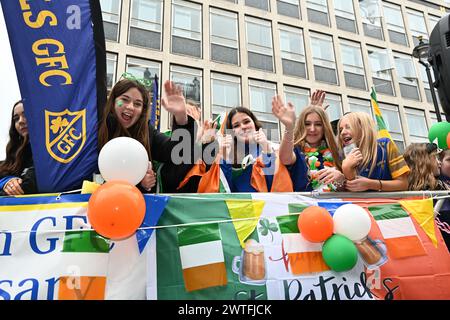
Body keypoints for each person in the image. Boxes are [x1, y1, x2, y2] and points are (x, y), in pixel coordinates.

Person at [97, 78, 196, 193]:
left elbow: (177, 153)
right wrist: (138, 181)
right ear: (113, 101)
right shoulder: (95, 126)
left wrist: (181, 116)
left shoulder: (147, 132)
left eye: (137, 104)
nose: (130, 107)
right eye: (124, 100)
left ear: (142, 110)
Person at [272, 92, 343, 192]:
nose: (312, 129)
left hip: (333, 205)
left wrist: (341, 179)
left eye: (318, 124)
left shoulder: (336, 151)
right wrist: (289, 127)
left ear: (325, 127)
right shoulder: (297, 150)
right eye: (307, 124)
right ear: (301, 126)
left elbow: (347, 188)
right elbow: (285, 158)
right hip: (304, 206)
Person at [210, 107, 292, 192]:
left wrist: (266, 149)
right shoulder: (228, 156)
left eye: (246, 122)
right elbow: (226, 191)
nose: (243, 127)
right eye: (236, 125)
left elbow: (277, 185)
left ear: (255, 124)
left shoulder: (275, 149)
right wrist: (224, 158)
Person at [338, 112, 409, 192]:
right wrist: (347, 169)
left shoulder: (385, 145)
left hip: (385, 203)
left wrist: (371, 184)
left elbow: (403, 184)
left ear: (363, 128)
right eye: (340, 130)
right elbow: (355, 188)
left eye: (348, 127)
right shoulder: (341, 155)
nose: (342, 133)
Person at [0, 100, 37, 196]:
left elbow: (27, 187)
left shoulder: (50, 152)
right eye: (16, 119)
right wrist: (5, 182)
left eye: (26, 115)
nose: (20, 121)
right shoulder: (14, 154)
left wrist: (13, 187)